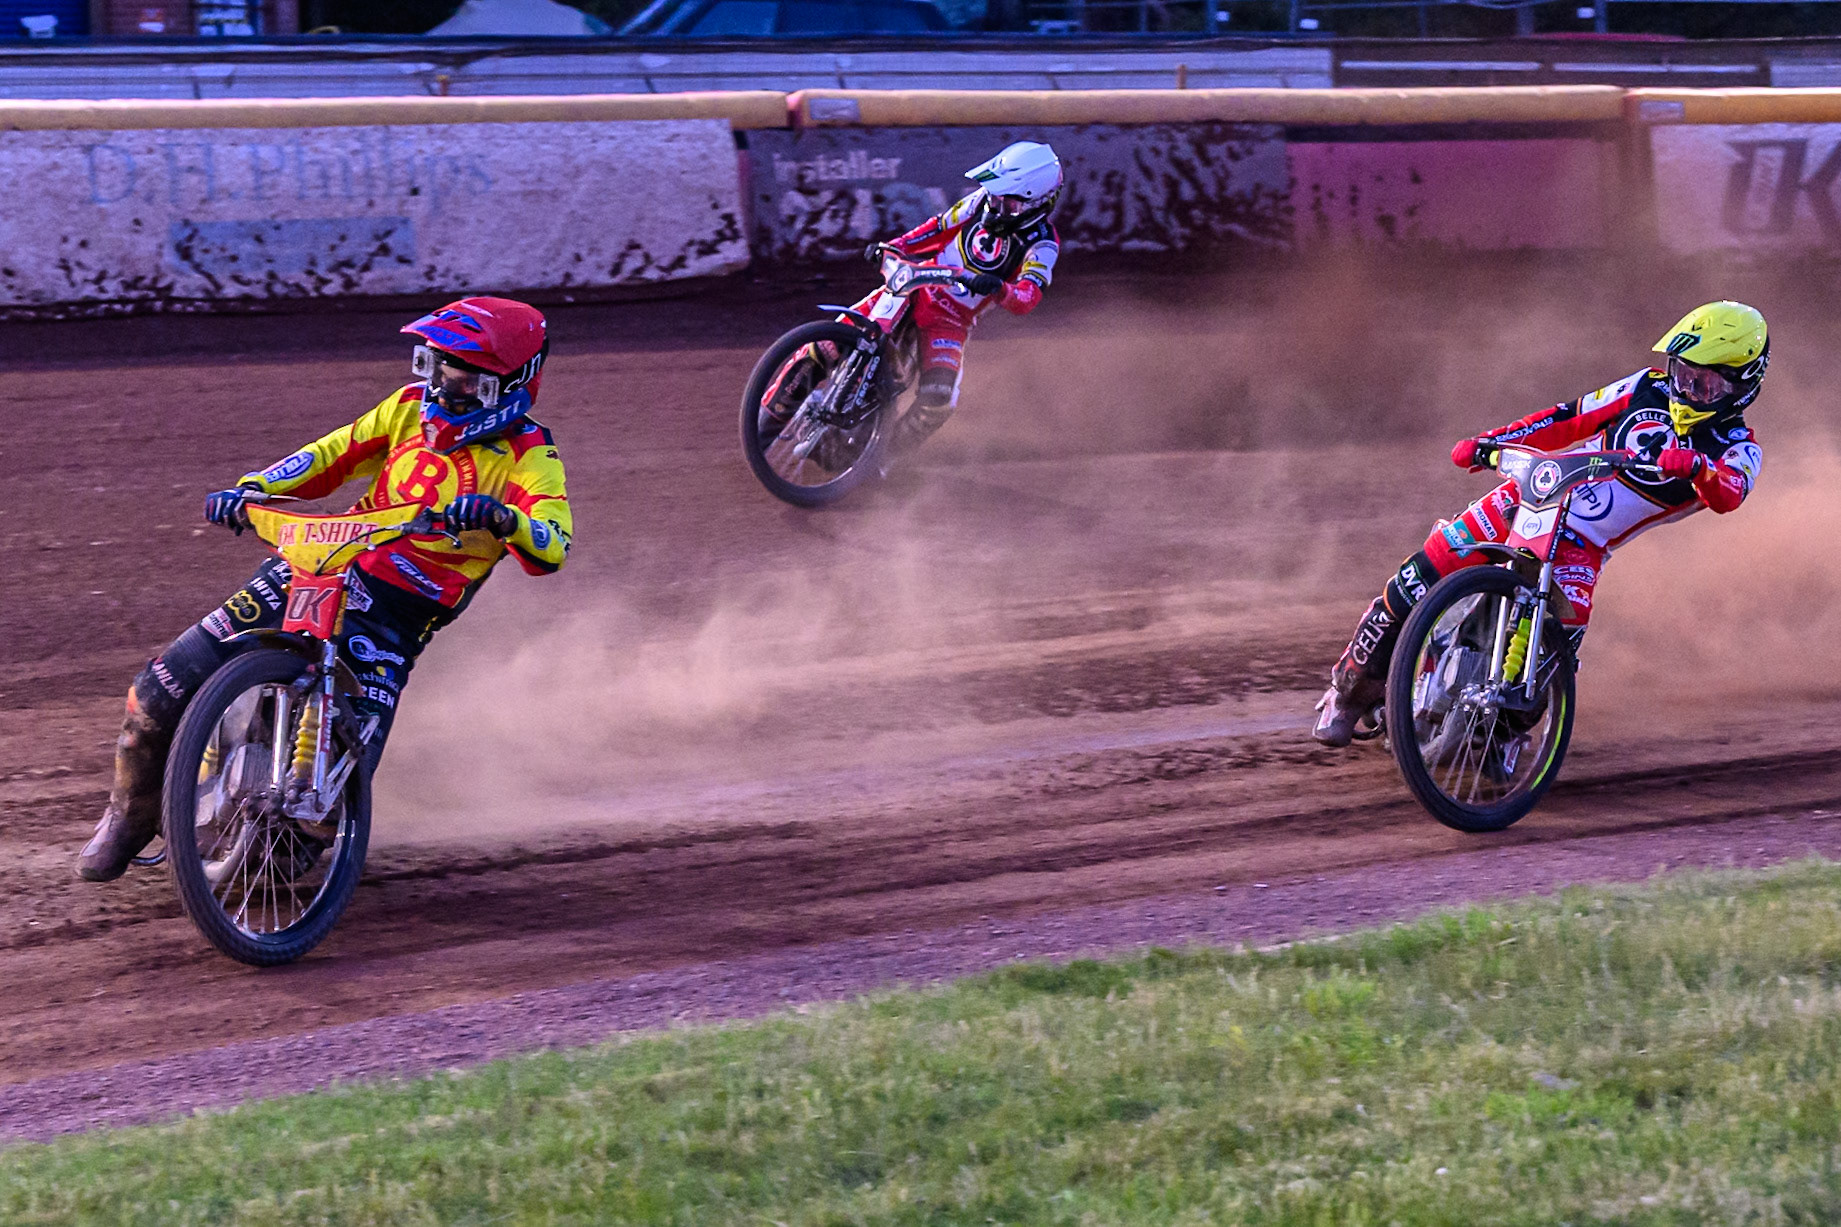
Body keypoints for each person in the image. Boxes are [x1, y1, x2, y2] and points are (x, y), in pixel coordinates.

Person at [76, 296, 572, 880]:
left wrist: (503, 518)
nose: (442, 383)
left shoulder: (530, 455)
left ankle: (280, 851)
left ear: (510, 383)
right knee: (154, 693)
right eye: (436, 364)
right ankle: (128, 816)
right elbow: (332, 455)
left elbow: (554, 543)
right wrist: (255, 486)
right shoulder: (406, 408)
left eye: (460, 371)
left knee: (315, 817)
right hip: (321, 562)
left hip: (392, 618)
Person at [1312, 300, 1769, 747]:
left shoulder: (1739, 449)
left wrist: (1698, 470)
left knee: (1553, 656)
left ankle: (1500, 739)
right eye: (1682, 373)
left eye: (1704, 384)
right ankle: (1348, 691)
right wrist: (1491, 442)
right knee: (1418, 576)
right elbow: (1568, 418)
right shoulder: (1641, 387)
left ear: (1743, 385)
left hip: (1582, 547)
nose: (1686, 389)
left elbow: (1728, 494)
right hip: (1534, 495)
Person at [763, 141, 1063, 458]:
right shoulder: (979, 203)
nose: (997, 207)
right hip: (916, 285)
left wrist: (1000, 288)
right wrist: (894, 247)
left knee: (938, 400)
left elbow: (1028, 297)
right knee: (827, 344)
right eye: (995, 195)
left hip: (951, 321)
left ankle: (885, 459)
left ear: (1037, 204)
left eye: (1009, 204)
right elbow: (936, 227)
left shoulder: (1043, 244)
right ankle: (766, 424)